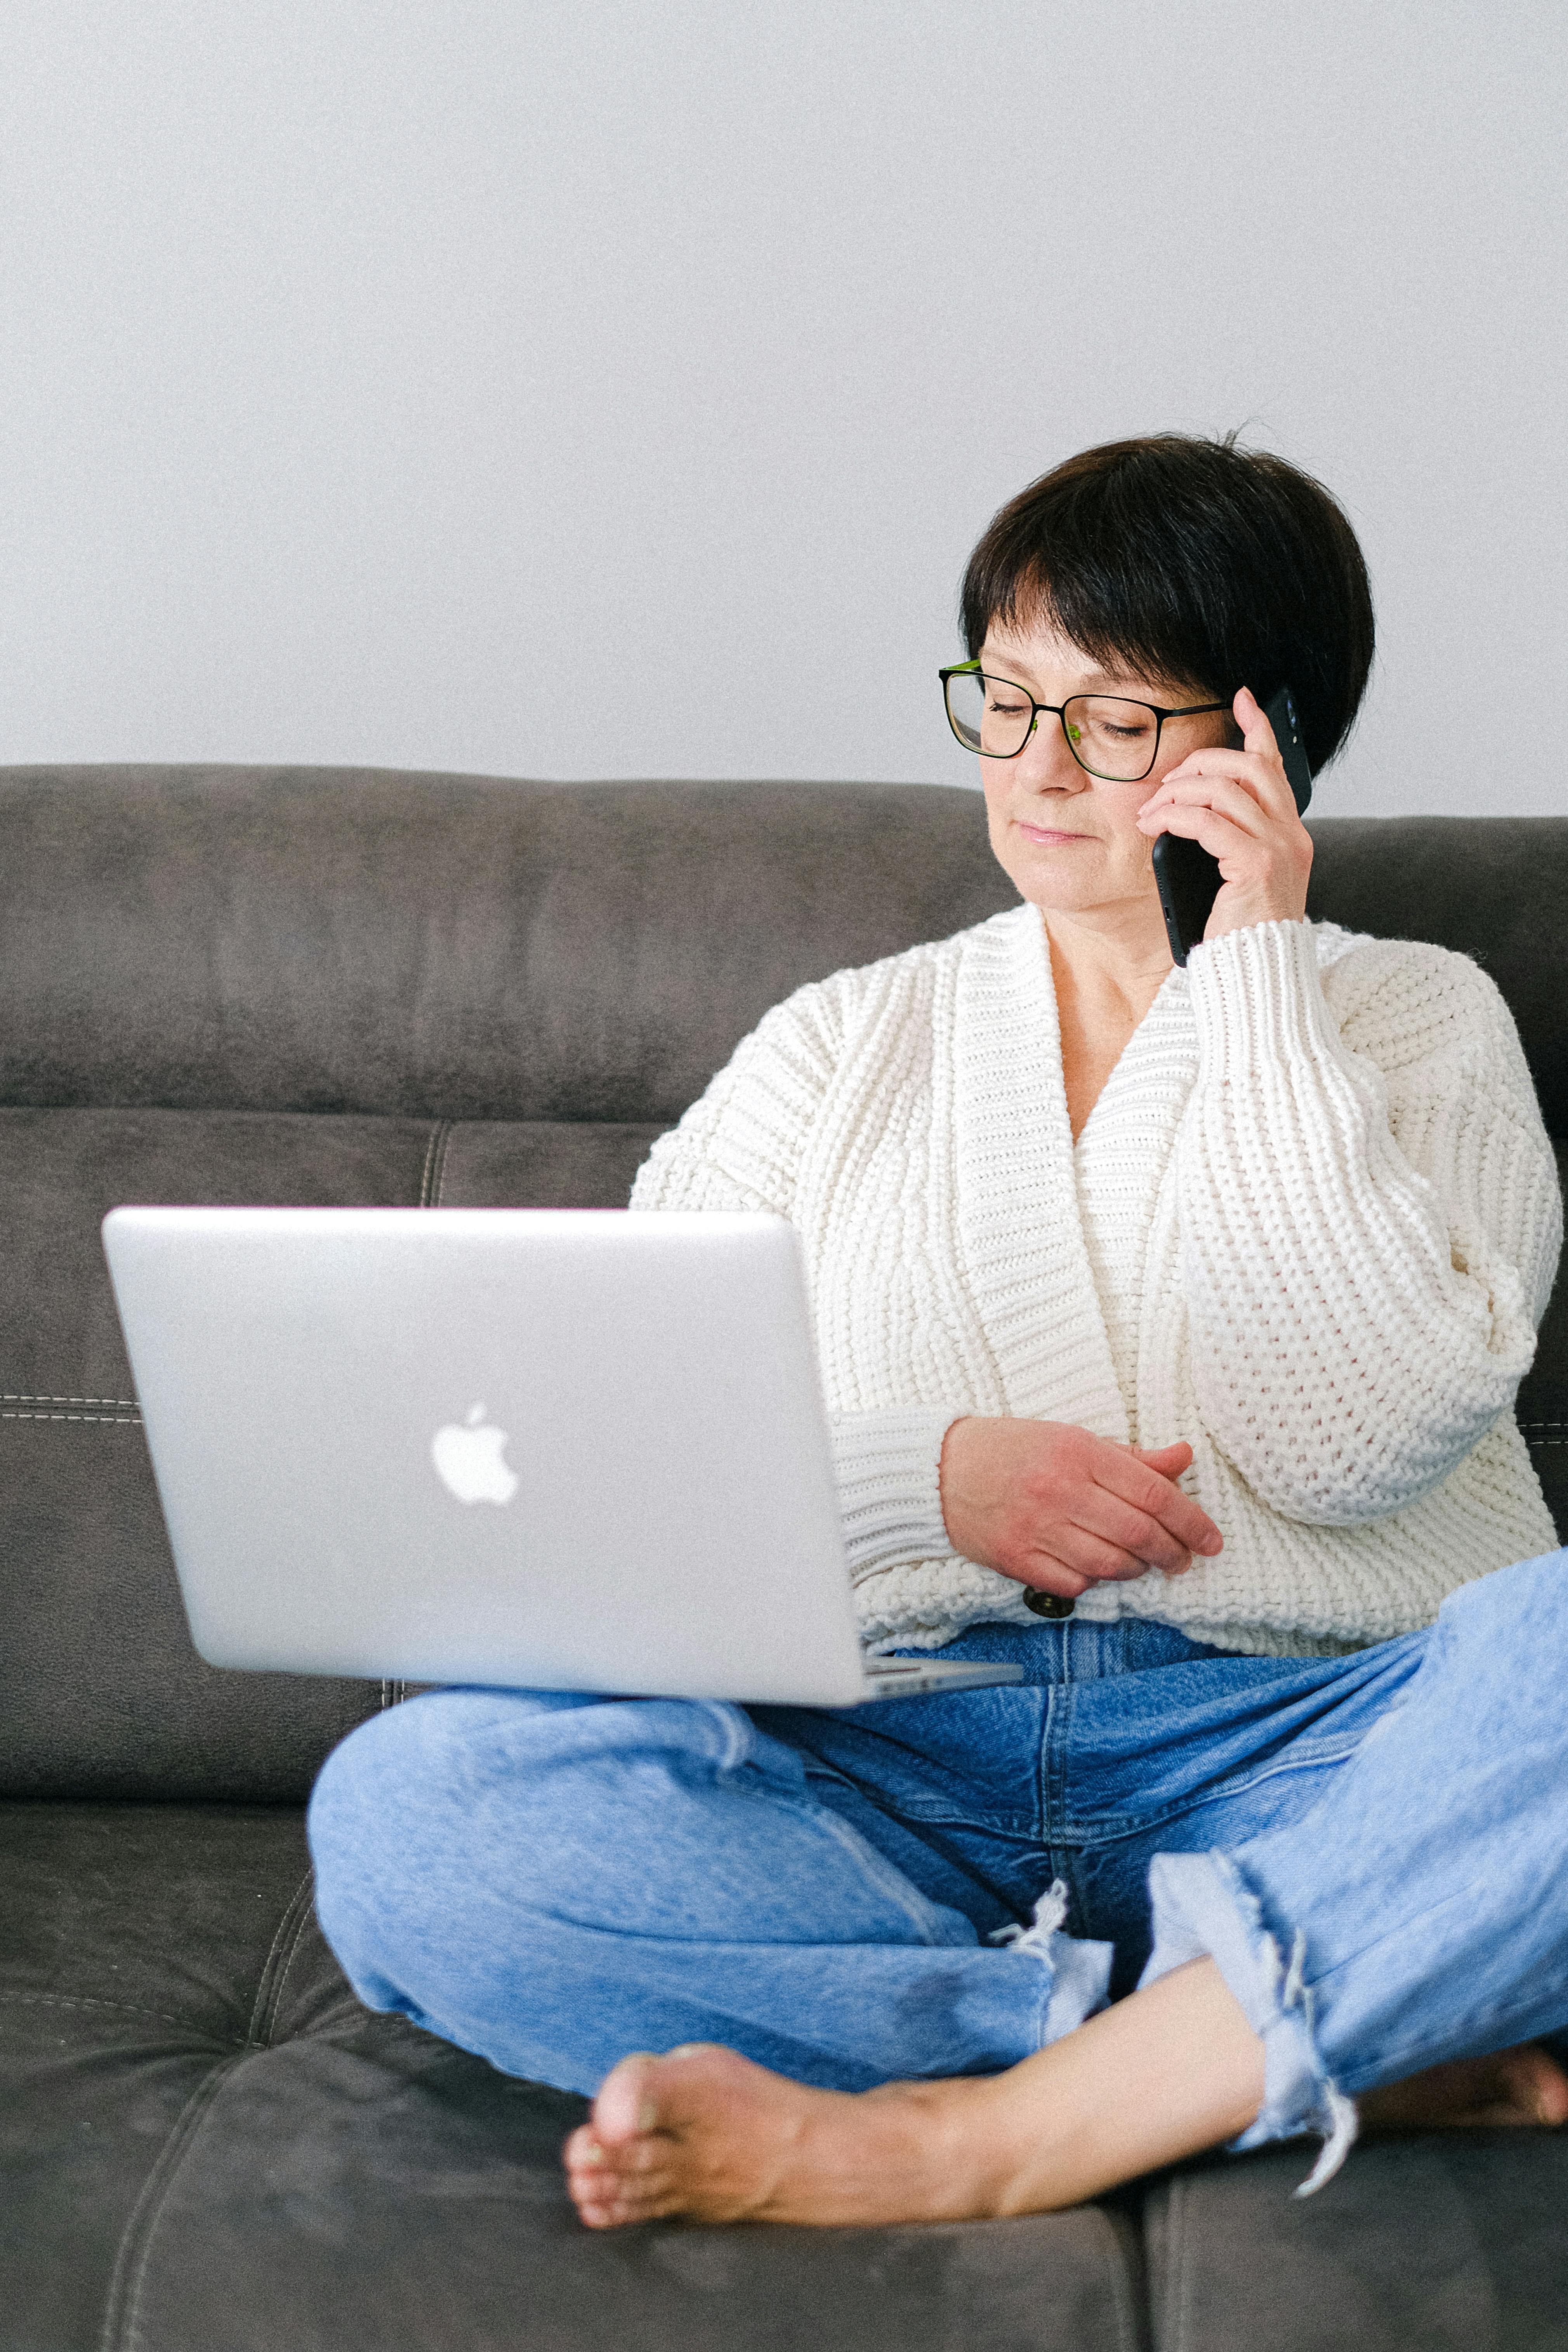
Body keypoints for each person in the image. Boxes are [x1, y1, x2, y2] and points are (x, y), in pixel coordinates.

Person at [307, 433, 1568, 2230]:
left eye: (1115, 719)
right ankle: (1220, 2038)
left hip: (1312, 1747)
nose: (1038, 770)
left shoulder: (1415, 1020)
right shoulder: (833, 1046)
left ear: (1257, 743)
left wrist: (1258, 977)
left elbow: (1344, 1439)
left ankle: (967, 2134)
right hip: (892, 1759)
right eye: (1006, 698)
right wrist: (929, 1483)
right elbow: (606, 1455)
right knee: (411, 1810)